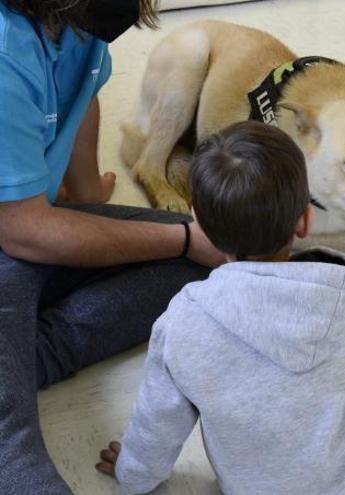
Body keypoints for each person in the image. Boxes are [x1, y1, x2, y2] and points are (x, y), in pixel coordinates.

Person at [93, 121, 345, 494]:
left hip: (249, 488)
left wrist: (134, 473)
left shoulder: (181, 321)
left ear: (199, 223)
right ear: (305, 221)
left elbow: (159, 418)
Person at [0, 1, 226, 493]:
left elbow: (82, 94)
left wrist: (83, 195)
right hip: (13, 229)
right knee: (12, 452)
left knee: (221, 260)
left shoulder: (74, 18)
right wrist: (182, 237)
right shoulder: (4, 52)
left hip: (23, 222)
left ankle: (22, 357)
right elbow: (21, 230)